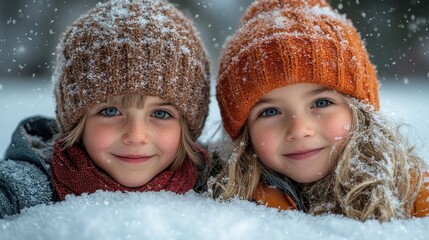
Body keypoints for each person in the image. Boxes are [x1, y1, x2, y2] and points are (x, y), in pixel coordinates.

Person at [209, 0, 429, 221]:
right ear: (244, 132)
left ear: (361, 112)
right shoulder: (230, 200)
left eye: (321, 103)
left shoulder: (412, 193)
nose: (299, 129)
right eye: (270, 112)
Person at [0, 0, 210, 218]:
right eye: (111, 111)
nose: (136, 136)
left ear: (187, 127)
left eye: (160, 114)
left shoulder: (213, 183)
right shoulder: (28, 186)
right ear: (77, 122)